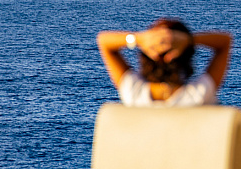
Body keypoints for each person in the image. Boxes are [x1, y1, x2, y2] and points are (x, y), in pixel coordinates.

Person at [97, 18, 232, 107]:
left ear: (147, 55)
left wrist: (140, 39)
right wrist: (187, 40)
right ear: (187, 55)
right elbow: (224, 41)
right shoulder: (199, 95)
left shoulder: (135, 94)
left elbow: (104, 41)